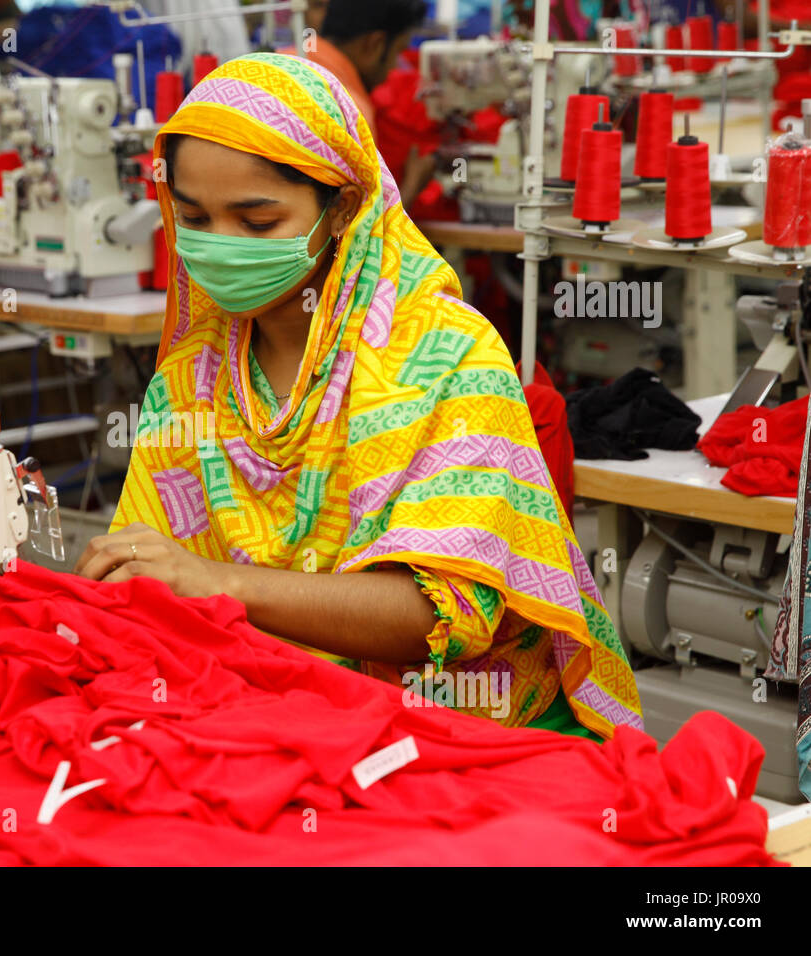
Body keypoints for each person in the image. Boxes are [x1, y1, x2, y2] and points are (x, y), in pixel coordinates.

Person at [73, 53, 642, 740]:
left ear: (343, 207)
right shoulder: (193, 376)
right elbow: (154, 581)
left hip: (471, 731)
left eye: (256, 224)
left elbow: (439, 618)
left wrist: (213, 582)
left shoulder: (450, 357)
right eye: (193, 218)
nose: (218, 247)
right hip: (289, 713)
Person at [280, 0, 433, 202]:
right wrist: (411, 187)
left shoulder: (280, 59)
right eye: (397, 51)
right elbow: (353, 227)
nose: (393, 69)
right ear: (375, 44)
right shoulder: (351, 113)